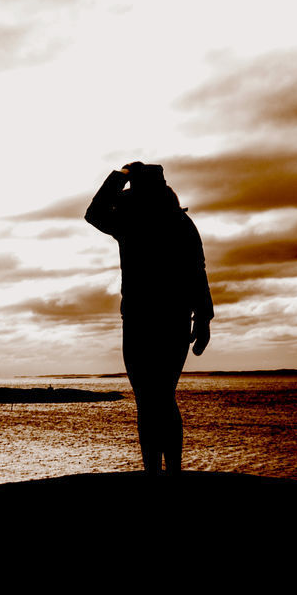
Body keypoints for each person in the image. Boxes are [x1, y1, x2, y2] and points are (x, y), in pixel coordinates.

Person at [85, 161, 213, 476]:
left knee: (149, 399)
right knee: (161, 396)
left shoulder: (132, 220)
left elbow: (94, 212)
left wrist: (120, 176)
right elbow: (199, 272)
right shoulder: (179, 222)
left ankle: (156, 473)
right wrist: (204, 318)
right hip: (171, 319)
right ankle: (169, 472)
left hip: (145, 321)